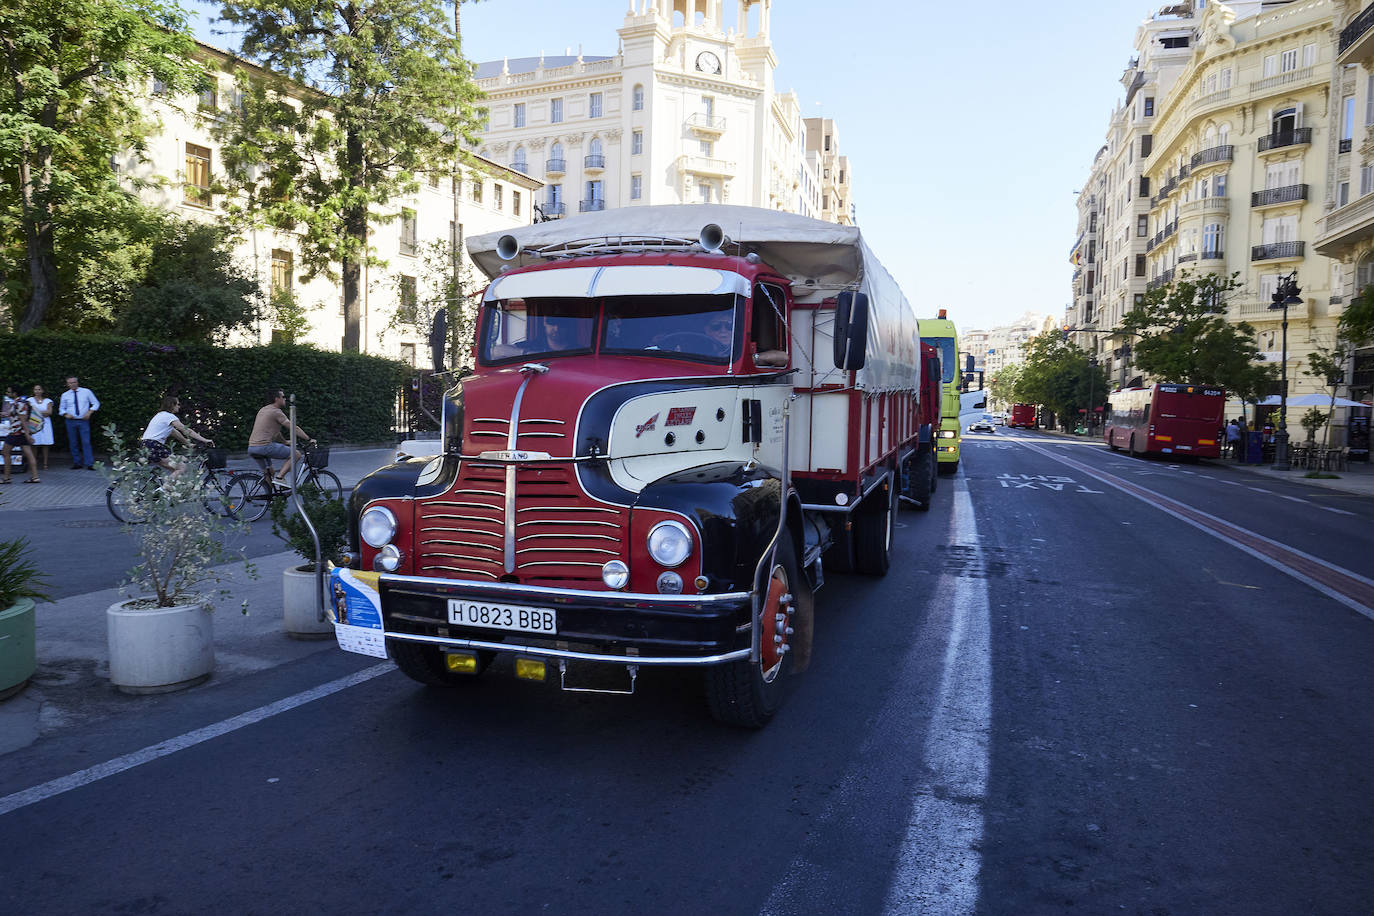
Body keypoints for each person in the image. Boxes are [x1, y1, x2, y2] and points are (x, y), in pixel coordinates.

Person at [248, 389, 315, 488]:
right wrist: (309, 439)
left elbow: (276, 432)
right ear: (276, 399)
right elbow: (293, 427)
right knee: (296, 454)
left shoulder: (263, 409)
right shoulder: (276, 412)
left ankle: (271, 499)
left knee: (269, 472)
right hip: (264, 446)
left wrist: (284, 442)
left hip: (252, 448)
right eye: (283, 397)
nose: (285, 399)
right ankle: (280, 478)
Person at [140, 395, 215, 477]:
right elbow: (185, 430)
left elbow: (175, 433)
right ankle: (163, 489)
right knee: (181, 467)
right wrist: (205, 440)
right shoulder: (169, 416)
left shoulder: (160, 415)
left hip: (146, 445)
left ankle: (170, 488)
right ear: (172, 405)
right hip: (154, 446)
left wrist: (187, 443)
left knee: (175, 470)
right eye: (178, 404)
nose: (179, 406)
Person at [1, 384, 40, 484]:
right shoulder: (20, 402)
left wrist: (27, 434)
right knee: (29, 454)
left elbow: (23, 420)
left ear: (15, 393)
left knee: (5, 452)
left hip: (16, 432)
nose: (7, 393)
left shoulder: (19, 403)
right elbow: (17, 416)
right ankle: (35, 477)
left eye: (9, 392)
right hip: (20, 433)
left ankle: (6, 477)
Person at [60, 375, 100, 469]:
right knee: (73, 442)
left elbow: (96, 403)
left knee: (86, 442)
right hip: (70, 421)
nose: (73, 384)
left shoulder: (86, 392)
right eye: (70, 383)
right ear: (67, 384)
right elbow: (61, 409)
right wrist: (66, 414)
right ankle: (77, 463)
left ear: (77, 382)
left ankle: (89, 463)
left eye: (74, 382)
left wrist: (90, 412)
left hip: (83, 420)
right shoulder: (65, 395)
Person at [26, 383, 54, 471]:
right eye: (35, 389)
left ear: (42, 390)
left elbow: (49, 412)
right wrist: (42, 412)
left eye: (39, 389)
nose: (37, 391)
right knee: (34, 443)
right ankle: (33, 463)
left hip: (46, 424)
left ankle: (45, 463)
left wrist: (36, 412)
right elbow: (27, 412)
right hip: (33, 424)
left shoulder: (48, 401)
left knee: (46, 443)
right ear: (33, 391)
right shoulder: (29, 400)